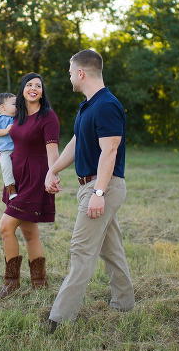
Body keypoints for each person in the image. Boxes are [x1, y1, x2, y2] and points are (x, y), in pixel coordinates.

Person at [43, 49, 134, 331]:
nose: (69, 77)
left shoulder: (107, 105)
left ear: (80, 73)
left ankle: (59, 319)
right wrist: (53, 170)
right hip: (92, 186)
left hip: (102, 186)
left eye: (70, 72)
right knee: (112, 249)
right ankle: (124, 304)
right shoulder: (88, 106)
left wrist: (98, 194)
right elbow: (76, 143)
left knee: (81, 250)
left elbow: (110, 151)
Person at [0, 73, 60, 298]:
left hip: (35, 178)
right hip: (17, 177)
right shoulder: (18, 115)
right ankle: (39, 284)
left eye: (38, 86)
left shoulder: (48, 116)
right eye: (29, 85)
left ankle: (11, 283)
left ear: (42, 92)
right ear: (22, 89)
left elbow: (53, 151)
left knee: (5, 227)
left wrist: (53, 174)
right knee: (30, 233)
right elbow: (10, 138)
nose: (33, 88)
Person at [0, 92, 18, 200]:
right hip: (5, 151)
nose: (17, 106)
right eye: (14, 104)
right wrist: (6, 130)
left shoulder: (18, 118)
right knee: (7, 168)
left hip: (19, 150)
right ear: (3, 107)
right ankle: (11, 189)